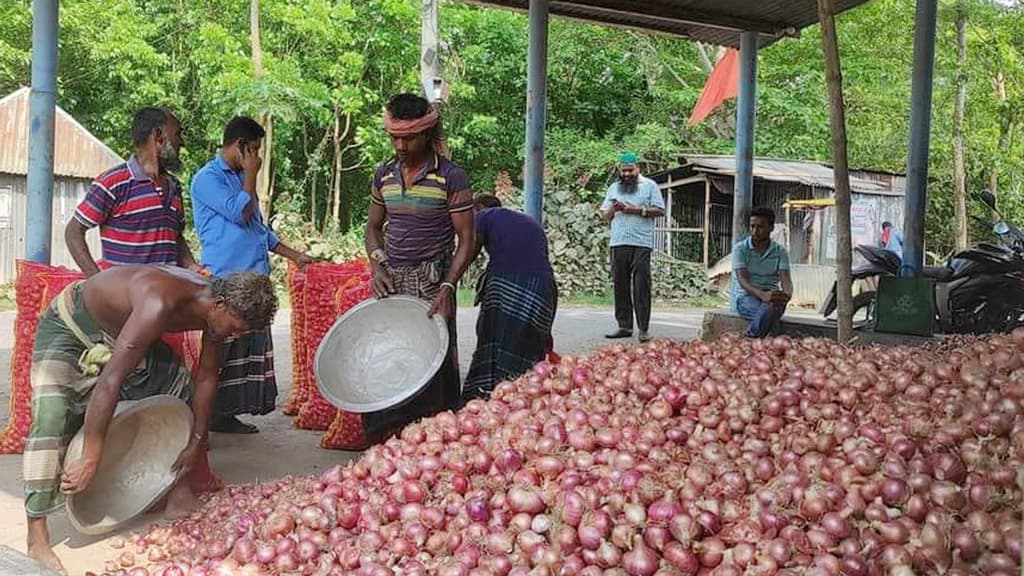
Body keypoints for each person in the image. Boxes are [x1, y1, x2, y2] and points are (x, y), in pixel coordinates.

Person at [24, 266, 277, 574]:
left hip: (121, 333)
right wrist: (92, 455)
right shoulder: (159, 300)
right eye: (235, 328)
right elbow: (111, 380)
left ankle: (178, 491)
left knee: (179, 385)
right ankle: (36, 533)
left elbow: (207, 379)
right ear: (221, 305)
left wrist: (197, 441)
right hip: (72, 325)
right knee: (51, 414)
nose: (235, 335)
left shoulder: (215, 317)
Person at [190, 116, 312, 434]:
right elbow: (240, 212)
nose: (257, 156)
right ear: (240, 146)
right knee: (221, 352)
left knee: (245, 353)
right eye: (254, 149)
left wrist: (295, 255)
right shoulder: (208, 179)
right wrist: (251, 176)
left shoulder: (240, 178)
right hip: (227, 280)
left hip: (253, 278)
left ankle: (226, 415)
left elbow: (258, 230)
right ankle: (206, 418)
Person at [365, 93, 475, 443]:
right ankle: (388, 443)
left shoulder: (451, 177)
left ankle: (431, 444)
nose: (400, 145)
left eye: (408, 137)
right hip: (392, 280)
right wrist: (378, 265)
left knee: (433, 364)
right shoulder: (384, 174)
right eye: (394, 137)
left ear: (427, 134)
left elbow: (467, 240)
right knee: (389, 357)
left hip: (433, 283)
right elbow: (372, 228)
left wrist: (448, 287)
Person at [65, 107, 200, 275]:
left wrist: (194, 267)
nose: (182, 142)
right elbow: (73, 232)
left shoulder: (174, 186)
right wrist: (96, 280)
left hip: (167, 297)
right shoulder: (113, 183)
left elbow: (175, 239)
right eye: (178, 134)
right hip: (125, 300)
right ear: (158, 136)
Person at [462, 194, 557, 404]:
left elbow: (469, 250)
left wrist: (449, 281)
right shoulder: (526, 222)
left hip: (510, 281)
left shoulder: (483, 216)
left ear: (477, 207)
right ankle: (530, 397)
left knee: (493, 337)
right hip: (544, 288)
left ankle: (488, 395)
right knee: (531, 342)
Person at [599, 152, 665, 343]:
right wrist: (615, 208)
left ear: (638, 169)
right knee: (620, 284)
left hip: (641, 243)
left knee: (641, 285)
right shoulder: (613, 188)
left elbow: (660, 210)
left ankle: (643, 329)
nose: (627, 174)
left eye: (630, 170)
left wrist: (635, 210)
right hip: (618, 242)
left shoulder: (650, 186)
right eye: (624, 170)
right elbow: (604, 215)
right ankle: (624, 326)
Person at [731, 207, 793, 338]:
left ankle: (749, 339)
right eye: (752, 226)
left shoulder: (780, 252)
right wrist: (762, 295)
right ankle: (754, 338)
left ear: (771, 228)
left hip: (772, 297)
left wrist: (787, 295)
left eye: (760, 227)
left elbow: (786, 279)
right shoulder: (740, 249)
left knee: (772, 307)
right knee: (771, 315)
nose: (755, 231)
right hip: (746, 297)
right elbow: (742, 279)